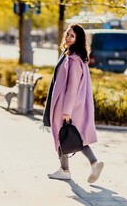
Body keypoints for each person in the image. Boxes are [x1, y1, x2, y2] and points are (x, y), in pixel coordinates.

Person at [43, 24, 104, 183]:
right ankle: (86, 165)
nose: (68, 37)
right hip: (64, 104)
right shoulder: (69, 54)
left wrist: (67, 111)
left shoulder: (74, 59)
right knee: (71, 136)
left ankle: (72, 168)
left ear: (78, 39)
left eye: (72, 36)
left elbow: (73, 86)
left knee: (66, 135)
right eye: (68, 34)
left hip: (65, 106)